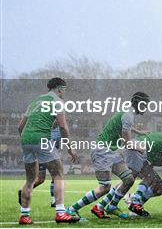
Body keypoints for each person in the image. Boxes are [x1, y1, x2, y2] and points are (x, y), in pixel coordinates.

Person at [67, 92, 149, 219]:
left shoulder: (127, 114)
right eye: (145, 104)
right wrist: (141, 149)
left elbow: (123, 126)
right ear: (138, 103)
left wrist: (138, 131)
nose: (147, 107)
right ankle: (71, 209)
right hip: (102, 151)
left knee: (128, 179)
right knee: (105, 187)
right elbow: (127, 143)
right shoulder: (128, 116)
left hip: (112, 151)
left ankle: (112, 207)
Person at [18, 77, 80, 224]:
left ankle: (24, 216)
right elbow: (63, 127)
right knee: (58, 174)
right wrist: (70, 149)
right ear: (60, 88)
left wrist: (30, 142)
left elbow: (20, 126)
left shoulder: (35, 101)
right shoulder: (57, 102)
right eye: (64, 89)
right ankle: (60, 213)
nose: (65, 92)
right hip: (42, 139)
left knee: (30, 180)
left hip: (26, 139)